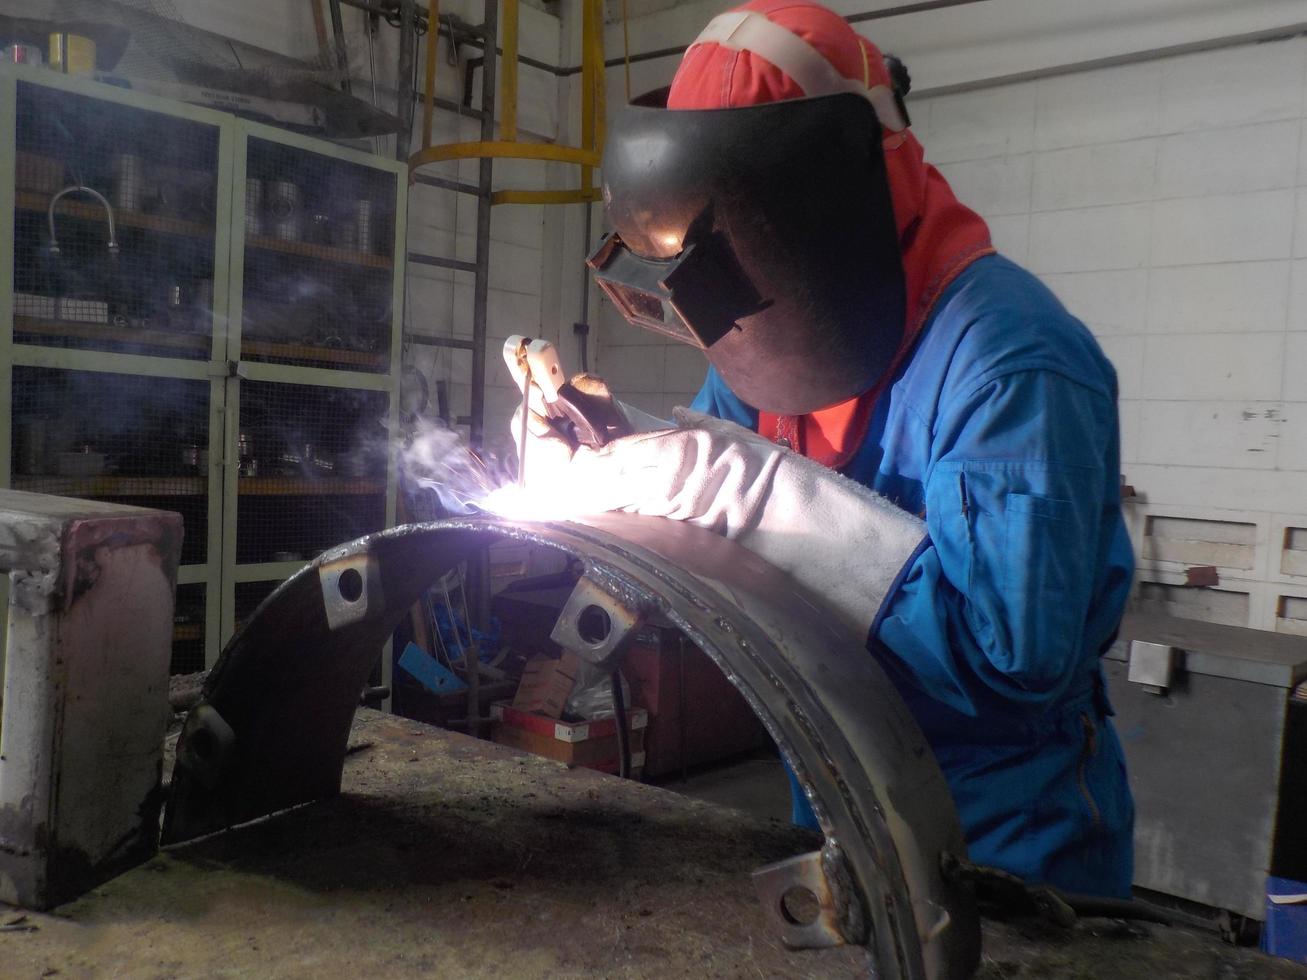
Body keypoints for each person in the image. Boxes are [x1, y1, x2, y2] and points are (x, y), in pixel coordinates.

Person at [499, 0, 1134, 899]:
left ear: (810, 208)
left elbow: (1010, 669)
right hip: (835, 781)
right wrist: (611, 452)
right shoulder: (777, 330)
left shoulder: (1013, 365)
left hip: (1002, 832)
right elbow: (717, 477)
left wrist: (740, 493)